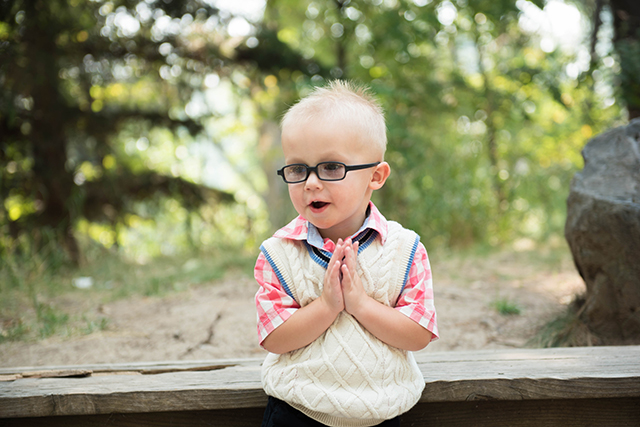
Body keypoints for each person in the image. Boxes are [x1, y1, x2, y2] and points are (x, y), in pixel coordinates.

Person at [254, 80, 438, 427]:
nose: (310, 183)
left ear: (376, 175)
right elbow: (274, 338)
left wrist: (359, 304)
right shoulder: (278, 253)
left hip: (381, 411)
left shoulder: (405, 248)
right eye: (297, 169)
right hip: (297, 411)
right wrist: (327, 306)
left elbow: (418, 334)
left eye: (331, 168)